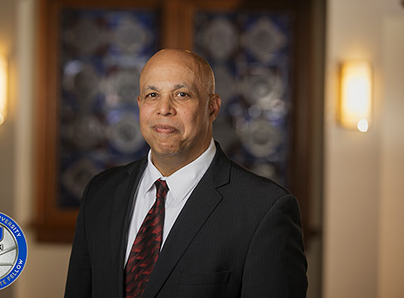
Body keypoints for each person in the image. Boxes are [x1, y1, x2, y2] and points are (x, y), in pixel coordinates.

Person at [65, 49, 308, 297]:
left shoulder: (264, 210)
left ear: (212, 108)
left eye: (181, 94)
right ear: (139, 105)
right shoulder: (101, 192)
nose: (164, 109)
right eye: (152, 95)